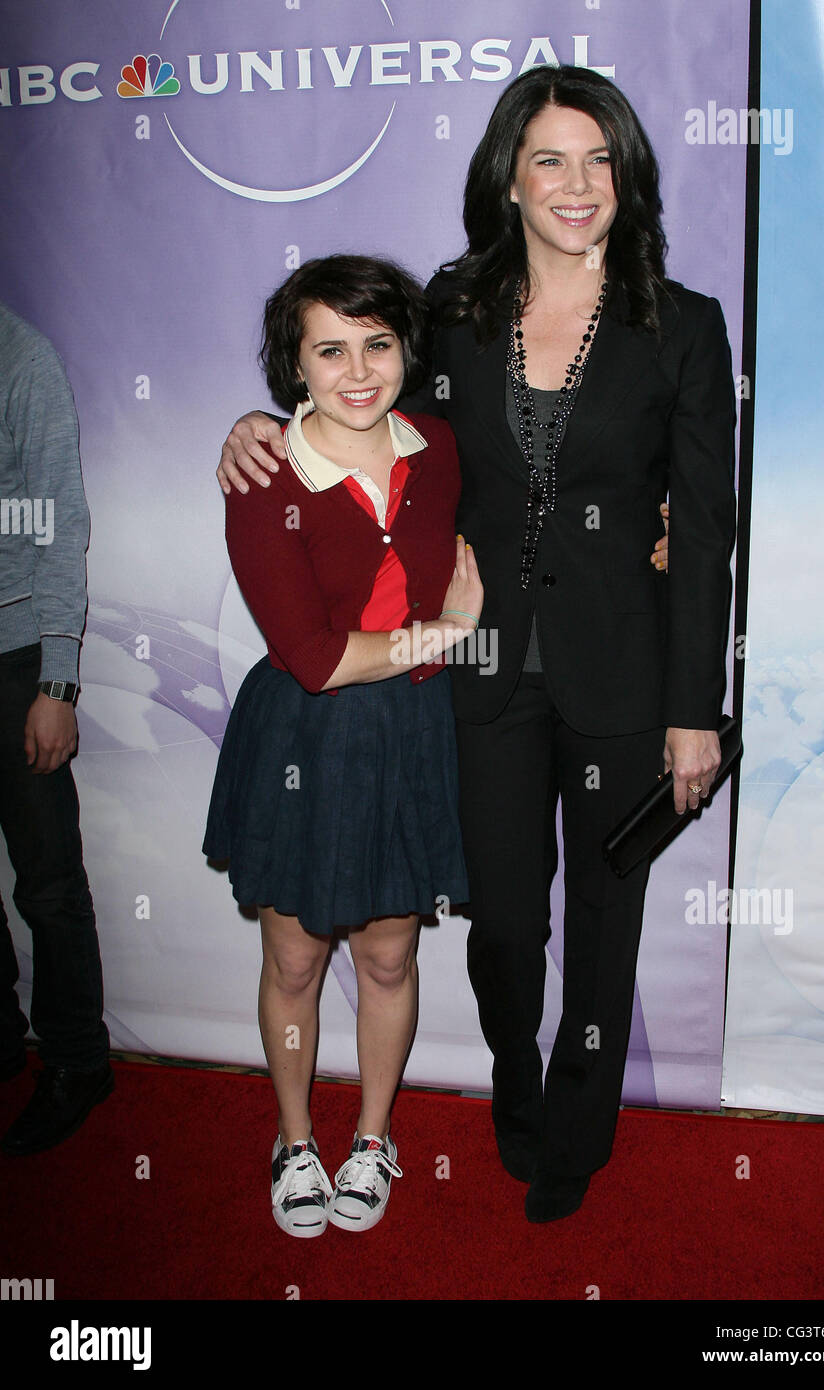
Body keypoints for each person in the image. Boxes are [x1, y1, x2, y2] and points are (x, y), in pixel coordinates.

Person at [217, 65, 735, 1224]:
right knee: (504, 922)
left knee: (604, 923)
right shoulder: (449, 311)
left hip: (622, 674)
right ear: (508, 174)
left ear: (627, 177)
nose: (575, 183)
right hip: (477, 672)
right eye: (548, 158)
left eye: (599, 159)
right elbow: (356, 405)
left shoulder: (681, 326)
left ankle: (577, 1131)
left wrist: (691, 707)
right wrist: (257, 424)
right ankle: (515, 1088)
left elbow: (702, 532)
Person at [203, 255, 484, 1236]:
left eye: (376, 343)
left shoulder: (438, 447)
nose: (357, 369)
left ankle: (371, 1138)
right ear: (295, 365)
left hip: (408, 732)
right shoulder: (262, 470)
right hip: (305, 739)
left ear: (406, 348)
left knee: (388, 957)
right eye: (329, 349)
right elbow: (315, 659)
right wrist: (439, 638)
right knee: (291, 960)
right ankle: (292, 1141)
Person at [0, 301, 113, 1156]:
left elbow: (57, 523)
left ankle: (77, 1060)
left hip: (16, 660)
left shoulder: (21, 359)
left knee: (46, 882)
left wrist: (58, 679)